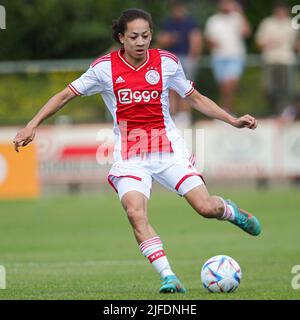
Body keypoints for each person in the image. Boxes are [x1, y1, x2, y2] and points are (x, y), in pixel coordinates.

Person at [13, 8, 261, 294]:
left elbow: (194, 99)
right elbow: (65, 94)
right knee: (135, 213)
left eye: (146, 35)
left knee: (206, 208)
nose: (141, 42)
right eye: (134, 37)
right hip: (131, 157)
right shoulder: (104, 69)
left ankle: (230, 212)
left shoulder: (166, 62)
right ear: (121, 38)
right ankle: (168, 276)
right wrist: (32, 125)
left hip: (168, 152)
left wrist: (232, 119)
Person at [156, 2, 202, 128]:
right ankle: (172, 116)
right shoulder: (167, 23)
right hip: (170, 61)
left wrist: (193, 59)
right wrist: (168, 40)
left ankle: (184, 115)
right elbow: (161, 40)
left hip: (186, 59)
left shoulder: (190, 23)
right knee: (171, 90)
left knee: (186, 89)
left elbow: (196, 40)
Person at [205, 0, 251, 113]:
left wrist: (240, 13)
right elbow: (208, 40)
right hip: (219, 56)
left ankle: (227, 110)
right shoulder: (213, 20)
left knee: (230, 84)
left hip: (235, 56)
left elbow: (247, 32)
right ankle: (226, 110)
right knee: (223, 86)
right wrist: (212, 43)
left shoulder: (238, 18)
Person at [255, 3, 299, 115]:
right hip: (270, 60)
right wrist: (269, 42)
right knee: (269, 89)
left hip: (286, 60)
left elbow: (296, 43)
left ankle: (285, 113)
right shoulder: (267, 23)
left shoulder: (291, 24)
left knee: (287, 90)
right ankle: (274, 112)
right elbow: (259, 41)